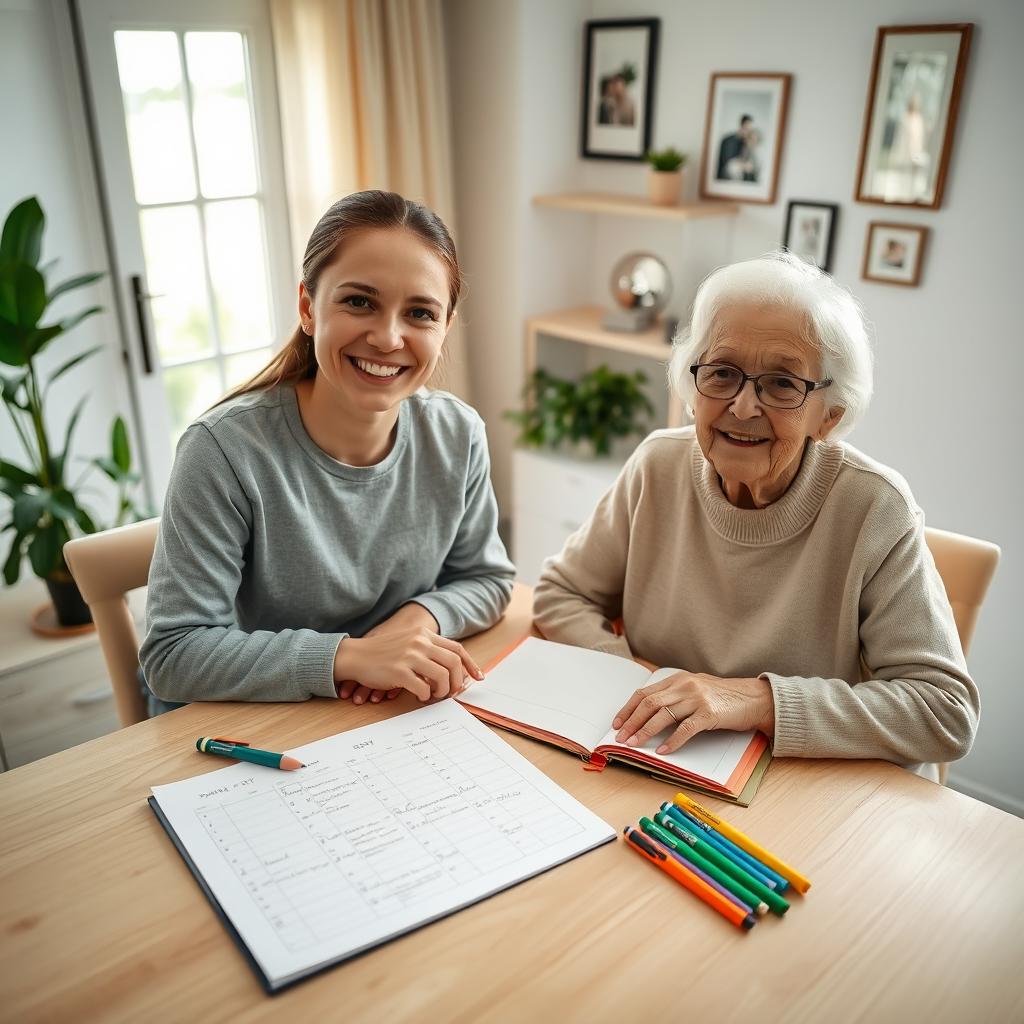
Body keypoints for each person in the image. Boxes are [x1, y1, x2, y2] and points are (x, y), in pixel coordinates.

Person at [533, 251, 977, 776]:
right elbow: (562, 592)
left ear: (829, 416)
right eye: (722, 372)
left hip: (807, 790)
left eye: (782, 384)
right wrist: (632, 685)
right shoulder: (658, 466)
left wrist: (757, 702)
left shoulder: (875, 507)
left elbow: (943, 711)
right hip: (661, 762)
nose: (743, 407)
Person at [141, 190, 515, 713]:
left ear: (445, 326)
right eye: (359, 301)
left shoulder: (458, 433)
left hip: (376, 714)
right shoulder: (222, 450)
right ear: (307, 308)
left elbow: (488, 579)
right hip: (245, 726)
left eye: (420, 313)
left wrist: (415, 621)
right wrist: (349, 657)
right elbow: (173, 654)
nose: (387, 338)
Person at [716, 115, 753, 180]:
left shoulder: (745, 142)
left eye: (750, 129)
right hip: (725, 172)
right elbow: (728, 161)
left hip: (738, 170)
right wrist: (743, 165)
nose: (748, 131)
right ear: (742, 125)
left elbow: (745, 158)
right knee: (734, 168)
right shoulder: (729, 140)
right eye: (747, 128)